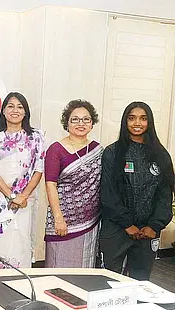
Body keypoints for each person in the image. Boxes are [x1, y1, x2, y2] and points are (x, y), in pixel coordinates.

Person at [100, 102, 174, 280]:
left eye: (143, 118)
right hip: (117, 229)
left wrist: (154, 225)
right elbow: (108, 194)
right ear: (125, 122)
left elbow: (165, 194)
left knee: (141, 282)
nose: (137, 123)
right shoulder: (113, 152)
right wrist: (127, 224)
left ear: (150, 122)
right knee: (109, 280)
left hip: (147, 231)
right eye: (131, 118)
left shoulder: (161, 155)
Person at [0, 92, 45, 269]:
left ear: (26, 112)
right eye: (10, 106)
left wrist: (22, 196)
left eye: (20, 107)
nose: (15, 110)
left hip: (24, 202)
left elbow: (38, 170)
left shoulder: (36, 137)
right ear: (3, 111)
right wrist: (10, 195)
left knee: (20, 244)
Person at [44, 99, 103, 268]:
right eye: (75, 119)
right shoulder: (56, 149)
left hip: (90, 222)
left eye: (86, 119)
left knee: (84, 270)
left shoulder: (98, 150)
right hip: (62, 222)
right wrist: (58, 219)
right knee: (58, 270)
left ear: (92, 124)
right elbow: (50, 185)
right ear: (67, 123)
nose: (81, 123)